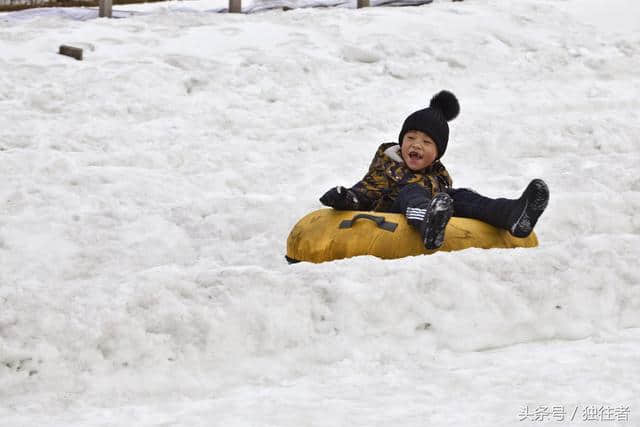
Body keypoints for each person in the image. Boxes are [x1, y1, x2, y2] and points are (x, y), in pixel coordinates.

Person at [319, 90, 549, 249]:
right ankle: (427, 221)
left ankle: (512, 214)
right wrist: (346, 197)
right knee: (411, 192)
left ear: (437, 153)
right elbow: (364, 193)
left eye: (427, 142)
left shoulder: (438, 177)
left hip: (436, 207)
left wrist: (450, 201)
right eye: (410, 138)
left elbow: (450, 201)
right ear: (401, 141)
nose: (416, 145)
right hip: (395, 212)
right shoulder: (388, 166)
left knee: (461, 196)